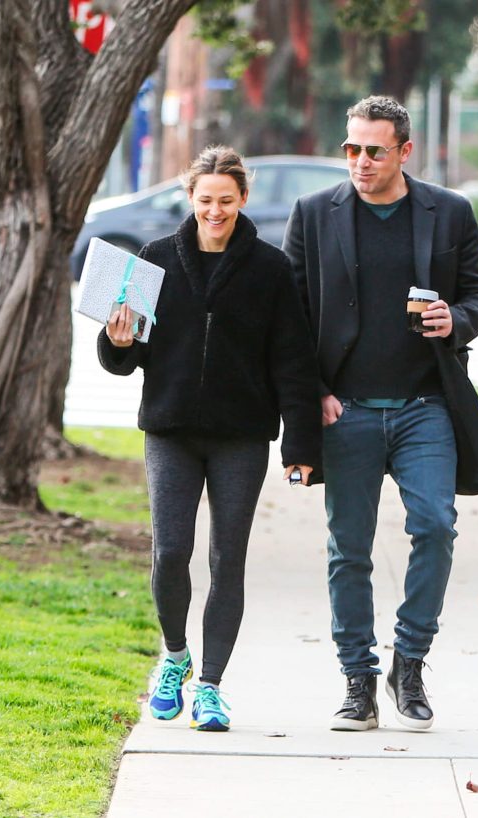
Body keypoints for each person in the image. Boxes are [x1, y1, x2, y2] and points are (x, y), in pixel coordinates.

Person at [283, 96, 478, 731]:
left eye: (374, 151)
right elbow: (291, 320)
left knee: (436, 525)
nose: (360, 161)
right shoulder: (313, 214)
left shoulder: (450, 211)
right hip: (343, 411)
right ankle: (358, 679)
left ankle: (409, 660)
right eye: (350, 148)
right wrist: (314, 391)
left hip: (425, 407)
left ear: (405, 151)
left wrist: (455, 320)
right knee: (348, 550)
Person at [98, 146, 321, 732]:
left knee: (228, 559)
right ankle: (175, 657)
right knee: (170, 551)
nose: (215, 211)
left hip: (241, 437)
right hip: (170, 429)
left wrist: (299, 449)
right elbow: (125, 359)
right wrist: (117, 341)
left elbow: (293, 365)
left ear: (243, 199)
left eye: (226, 200)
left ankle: (212, 687)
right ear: (189, 197)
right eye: (205, 201)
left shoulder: (272, 271)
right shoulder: (153, 260)